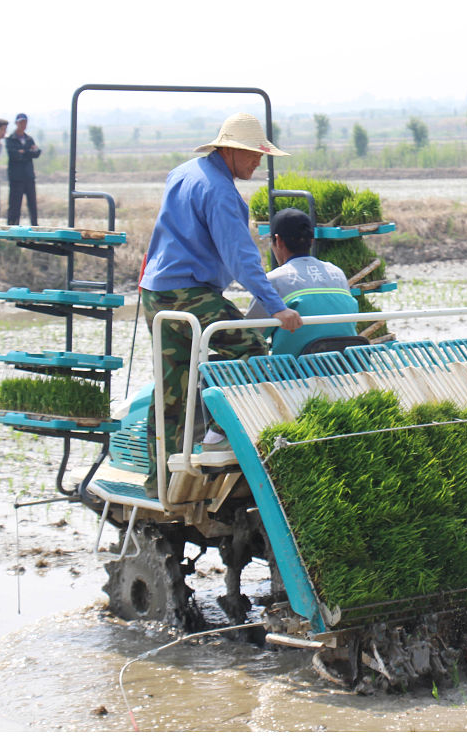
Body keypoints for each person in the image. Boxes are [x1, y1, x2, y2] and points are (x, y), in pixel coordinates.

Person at [139, 113, 302, 495]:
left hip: (156, 293)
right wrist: (276, 307)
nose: (258, 162)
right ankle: (219, 433)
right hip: (188, 292)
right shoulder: (221, 193)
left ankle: (158, 480)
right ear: (229, 149)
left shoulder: (183, 173)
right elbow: (241, 258)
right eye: (252, 154)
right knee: (248, 346)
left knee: (171, 388)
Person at [247, 208, 359, 357]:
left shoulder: (274, 280)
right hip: (345, 367)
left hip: (293, 373)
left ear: (278, 241)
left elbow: (249, 334)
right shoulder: (337, 273)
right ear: (311, 241)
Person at [5, 113, 42, 226]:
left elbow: (37, 153)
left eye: (25, 122)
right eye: (21, 122)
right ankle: (12, 227)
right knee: (15, 205)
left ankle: (35, 227)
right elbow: (14, 155)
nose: (23, 125)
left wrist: (23, 152)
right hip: (16, 177)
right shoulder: (10, 139)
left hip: (29, 176)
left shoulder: (29, 139)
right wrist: (28, 152)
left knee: (32, 204)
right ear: (16, 123)